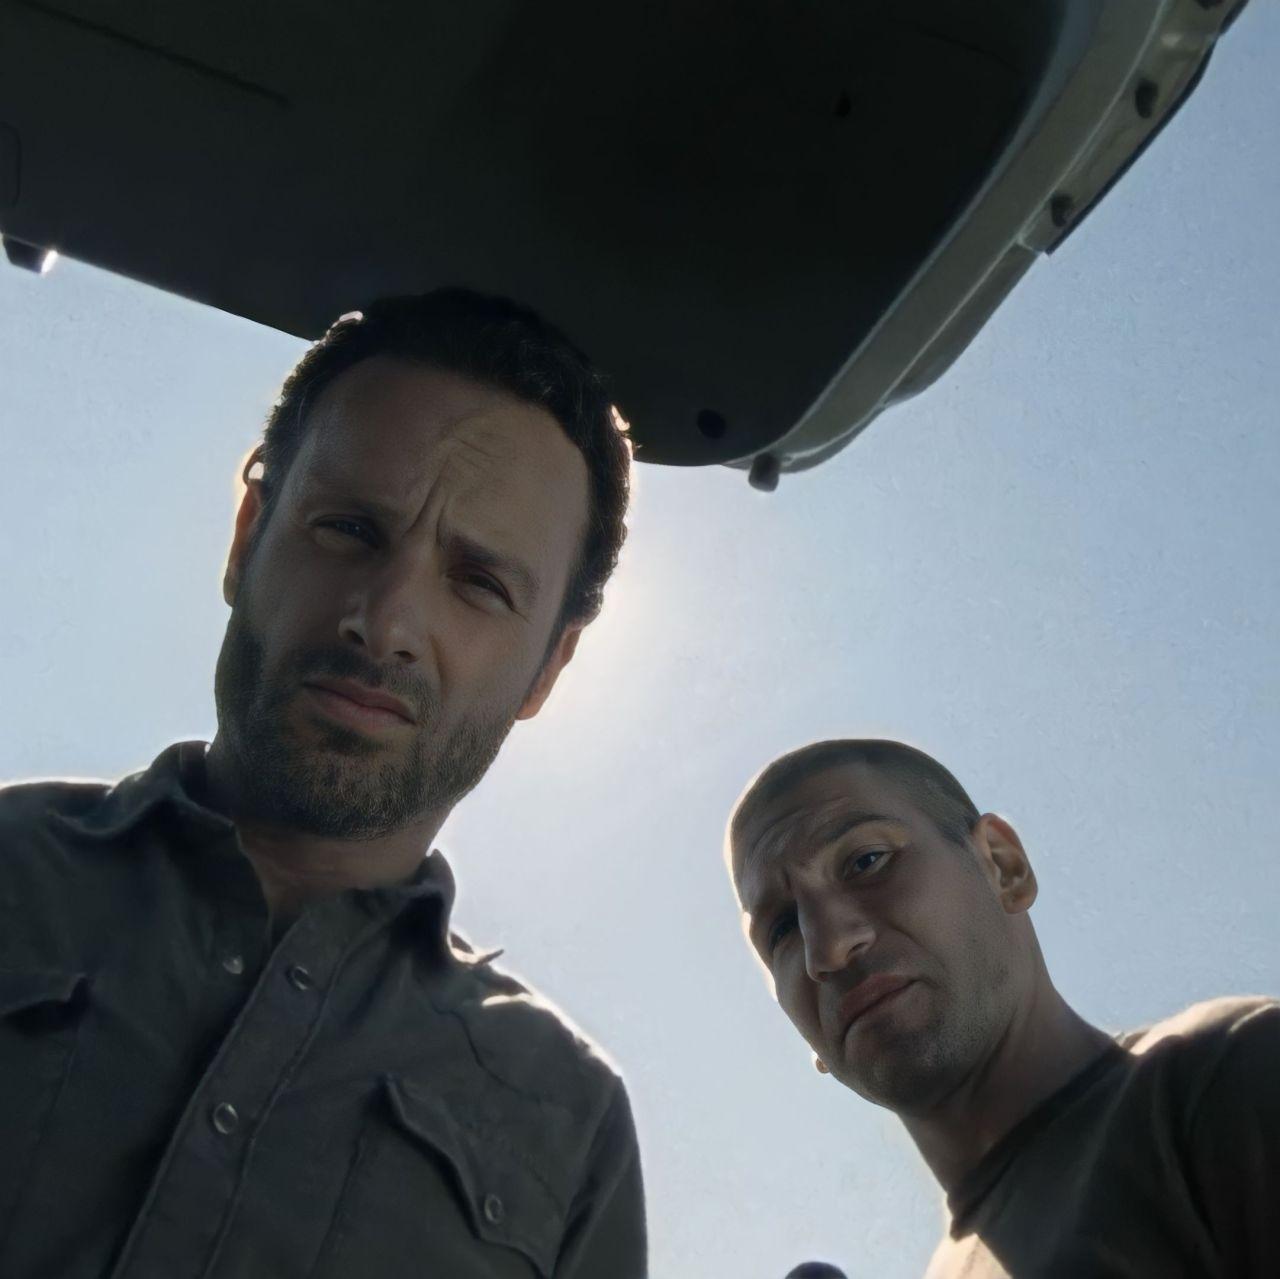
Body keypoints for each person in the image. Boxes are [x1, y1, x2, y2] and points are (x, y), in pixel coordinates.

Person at [0, 289, 645, 1278]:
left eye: (479, 583)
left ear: (547, 670)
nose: (382, 621)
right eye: (348, 528)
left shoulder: (571, 1120)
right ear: (246, 536)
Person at [726, 738, 1278, 1278]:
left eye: (866, 861)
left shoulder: (1225, 1077)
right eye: (782, 929)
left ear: (1002, 866)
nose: (826, 949)